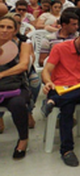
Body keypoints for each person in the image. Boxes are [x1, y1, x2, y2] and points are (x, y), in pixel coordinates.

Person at [41, 25, 80, 167]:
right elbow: (46, 70)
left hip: (79, 88)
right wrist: (48, 82)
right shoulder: (60, 48)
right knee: (67, 109)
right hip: (59, 86)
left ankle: (53, 101)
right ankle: (67, 150)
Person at [0, 15, 31, 159]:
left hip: (16, 87)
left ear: (15, 30)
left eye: (9, 27)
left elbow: (23, 65)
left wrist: (2, 74)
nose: (4, 30)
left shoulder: (23, 44)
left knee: (18, 104)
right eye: (1, 26)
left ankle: (23, 139)